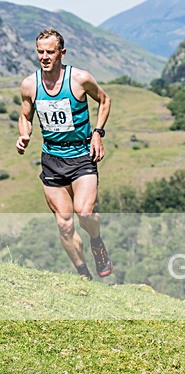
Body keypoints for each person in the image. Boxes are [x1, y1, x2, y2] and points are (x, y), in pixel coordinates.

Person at [16, 28, 112, 280]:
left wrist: (98, 133)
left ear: (62, 52)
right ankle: (83, 273)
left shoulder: (79, 79)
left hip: (81, 156)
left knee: (84, 213)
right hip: (52, 159)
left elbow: (104, 100)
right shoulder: (29, 84)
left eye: (50, 51)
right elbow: (25, 116)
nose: (44, 57)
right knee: (64, 223)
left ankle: (96, 240)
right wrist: (24, 134)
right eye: (40, 52)